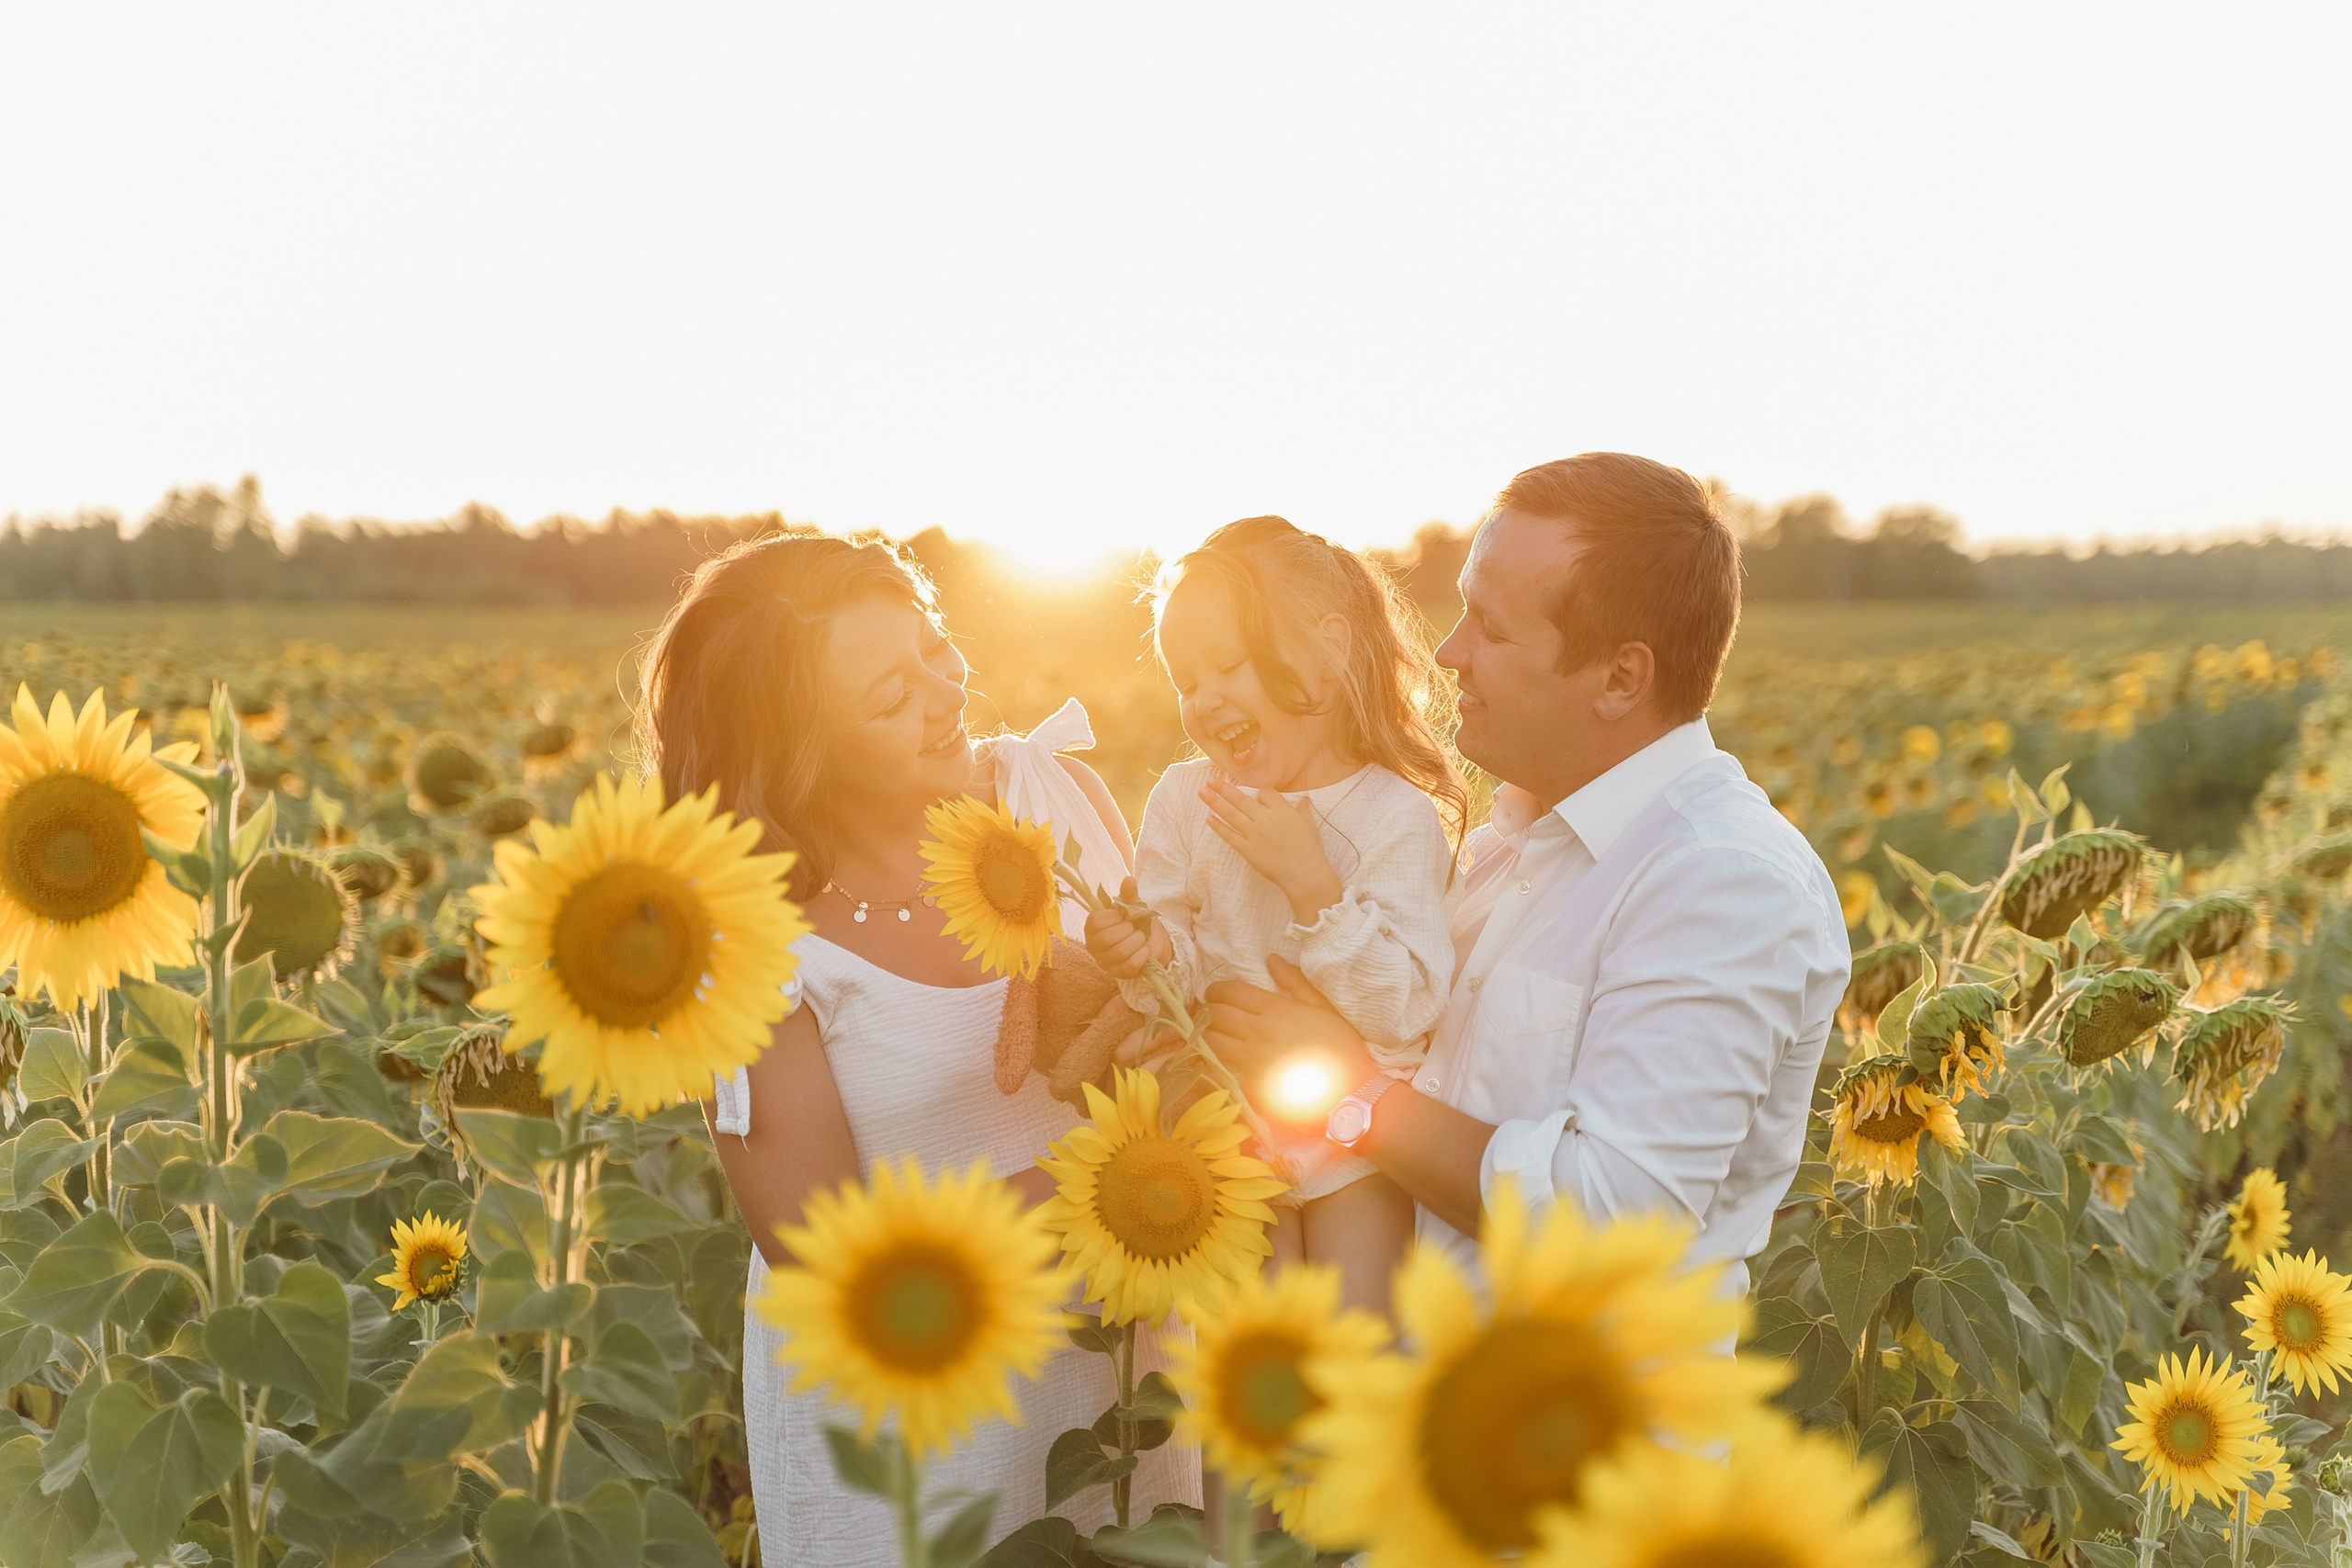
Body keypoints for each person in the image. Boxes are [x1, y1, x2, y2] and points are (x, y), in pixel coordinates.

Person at [644, 532, 1198, 1564]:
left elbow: (1146, 1015)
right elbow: (821, 1252)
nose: (944, 692)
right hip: (915, 1436)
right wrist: (1120, 1183)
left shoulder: (1047, 793)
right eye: (890, 694)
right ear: (796, 745)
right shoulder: (753, 938)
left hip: (1114, 1377)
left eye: (933, 649)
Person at [1203, 455, 1849, 1293]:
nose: (1448, 651)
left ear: (1622, 677)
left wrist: (1348, 1095)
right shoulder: (1505, 840)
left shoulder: (1722, 880)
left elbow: (1608, 1216)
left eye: (1492, 628)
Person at [1082, 517, 1466, 1316]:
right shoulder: (1186, 801)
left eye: (1229, 663)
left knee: (1345, 1365)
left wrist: (1311, 887)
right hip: (1219, 1132)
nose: (1206, 696)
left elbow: (1404, 1009)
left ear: (1328, 652)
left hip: (1356, 1146)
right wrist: (1145, 951)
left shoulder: (1394, 816)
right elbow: (1174, 978)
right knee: (1251, 1378)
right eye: (1187, 680)